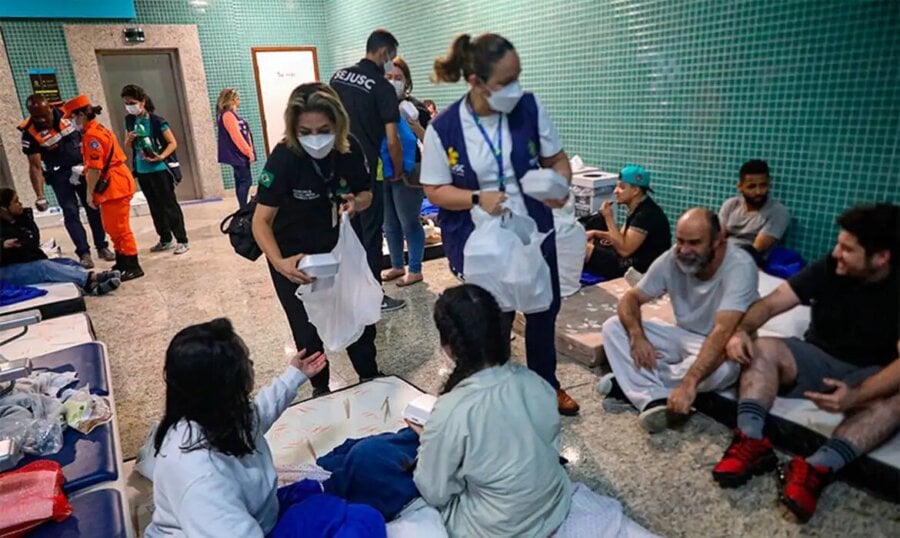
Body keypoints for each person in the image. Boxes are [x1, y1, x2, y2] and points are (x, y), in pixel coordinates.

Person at [421, 33, 580, 415]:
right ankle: (498, 388)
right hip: (480, 239)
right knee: (492, 316)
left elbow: (556, 159)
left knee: (542, 309)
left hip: (531, 231)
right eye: (506, 82)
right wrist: (477, 198)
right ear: (475, 82)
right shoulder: (445, 128)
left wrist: (559, 184)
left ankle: (546, 386)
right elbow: (435, 189)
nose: (516, 89)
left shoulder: (529, 108)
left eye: (518, 77)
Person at [713, 203, 898, 522]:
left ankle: (816, 467)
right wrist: (742, 330)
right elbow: (771, 303)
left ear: (881, 257)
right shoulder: (832, 267)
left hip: (871, 376)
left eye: (847, 249)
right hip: (815, 358)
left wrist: (856, 395)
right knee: (762, 348)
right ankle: (751, 440)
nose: (836, 252)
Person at [251, 82, 379, 397]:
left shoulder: (349, 150)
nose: (315, 138)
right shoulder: (284, 158)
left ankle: (370, 378)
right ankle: (321, 390)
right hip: (293, 258)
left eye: (324, 129)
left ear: (338, 124)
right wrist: (280, 263)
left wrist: (356, 203)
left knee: (358, 317)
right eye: (305, 131)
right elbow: (261, 222)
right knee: (307, 332)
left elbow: (367, 194)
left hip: (339, 251)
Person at [411, 284, 571, 537]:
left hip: (498, 528)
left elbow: (435, 491)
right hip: (555, 505)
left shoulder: (452, 410)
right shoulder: (536, 382)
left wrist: (430, 441)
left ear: (448, 345)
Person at [144, 318, 328, 537]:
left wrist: (294, 376)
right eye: (246, 362)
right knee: (355, 521)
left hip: (258, 515)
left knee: (337, 481)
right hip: (248, 528)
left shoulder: (216, 412)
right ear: (226, 382)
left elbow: (258, 415)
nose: (252, 366)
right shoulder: (199, 475)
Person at [599, 208, 759, 433]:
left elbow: (723, 332)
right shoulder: (672, 258)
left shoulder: (739, 267)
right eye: (680, 241)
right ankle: (652, 396)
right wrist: (637, 336)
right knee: (613, 327)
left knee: (726, 370)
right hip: (682, 336)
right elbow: (631, 298)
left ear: (718, 241)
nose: (684, 250)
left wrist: (689, 384)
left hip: (722, 346)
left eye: (694, 243)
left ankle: (632, 385)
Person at [330, 29, 407, 312]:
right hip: (366, 168)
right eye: (391, 58)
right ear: (385, 53)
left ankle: (347, 290)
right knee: (371, 232)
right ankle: (374, 297)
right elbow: (392, 139)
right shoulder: (381, 87)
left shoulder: (338, 77)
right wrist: (397, 170)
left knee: (343, 229)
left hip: (335, 166)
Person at [18, 94, 113, 268]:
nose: (41, 120)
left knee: (93, 207)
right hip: (59, 175)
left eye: (44, 116)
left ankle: (102, 246)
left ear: (49, 108)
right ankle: (83, 253)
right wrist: (40, 195)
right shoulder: (30, 132)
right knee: (70, 212)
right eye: (36, 117)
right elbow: (35, 167)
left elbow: (90, 132)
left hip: (83, 169)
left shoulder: (68, 113)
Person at [62, 94, 144, 281]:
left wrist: (90, 194)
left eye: (73, 117)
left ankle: (132, 265)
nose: (72, 122)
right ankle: (123, 262)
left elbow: (96, 170)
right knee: (113, 227)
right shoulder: (98, 129)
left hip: (114, 185)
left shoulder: (92, 135)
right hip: (117, 181)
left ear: (81, 115)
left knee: (119, 228)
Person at [0, 188, 121, 294]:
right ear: (4, 209)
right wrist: (3, 245)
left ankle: (91, 287)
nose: (20, 204)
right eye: (15, 202)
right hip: (7, 272)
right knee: (43, 267)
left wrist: (24, 217)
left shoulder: (20, 220)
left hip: (26, 263)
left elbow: (33, 241)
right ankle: (93, 278)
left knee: (68, 263)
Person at [380, 57, 431, 287]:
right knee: (389, 221)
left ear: (407, 81)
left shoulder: (416, 108)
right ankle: (397, 264)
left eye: (398, 78)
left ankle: (416, 269)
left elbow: (432, 143)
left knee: (408, 220)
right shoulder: (376, 106)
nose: (393, 82)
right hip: (384, 171)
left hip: (410, 172)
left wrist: (415, 124)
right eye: (388, 78)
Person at [121, 84, 190, 255]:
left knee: (169, 205)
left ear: (142, 102)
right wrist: (129, 139)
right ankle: (165, 238)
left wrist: (161, 156)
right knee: (154, 206)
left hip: (159, 169)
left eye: (132, 102)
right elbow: (127, 145)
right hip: (143, 170)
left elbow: (173, 143)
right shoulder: (129, 120)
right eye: (126, 103)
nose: (130, 106)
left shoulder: (157, 121)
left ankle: (182, 239)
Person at [581, 164, 671, 278]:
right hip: (633, 258)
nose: (615, 191)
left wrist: (608, 218)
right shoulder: (638, 207)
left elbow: (624, 250)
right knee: (592, 241)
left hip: (641, 269)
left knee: (584, 248)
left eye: (621, 187)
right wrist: (595, 233)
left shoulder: (646, 214)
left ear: (635, 190)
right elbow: (621, 237)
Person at [718, 159, 789, 265]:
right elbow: (717, 238)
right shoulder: (731, 204)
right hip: (721, 258)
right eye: (751, 186)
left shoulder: (778, 212)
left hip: (748, 263)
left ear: (769, 184)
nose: (758, 191)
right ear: (740, 187)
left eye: (763, 185)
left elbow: (755, 250)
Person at [216, 88, 256, 209]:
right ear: (231, 100)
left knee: (241, 180)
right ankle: (243, 207)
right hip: (237, 154)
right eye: (237, 99)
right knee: (245, 181)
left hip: (238, 153)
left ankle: (243, 206)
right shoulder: (228, 115)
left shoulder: (230, 115)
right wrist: (248, 152)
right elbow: (236, 136)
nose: (239, 101)